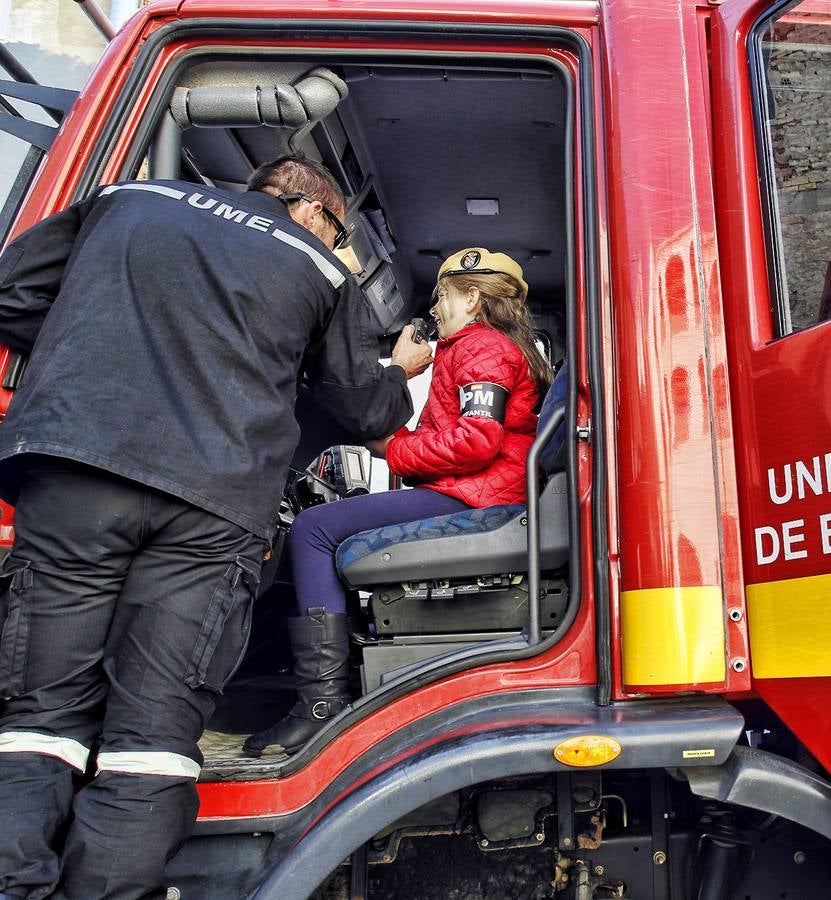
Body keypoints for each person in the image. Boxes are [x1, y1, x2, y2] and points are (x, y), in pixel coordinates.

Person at [0, 156, 433, 899]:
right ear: (315, 214)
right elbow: (370, 413)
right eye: (341, 237)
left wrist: (114, 341)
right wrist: (399, 367)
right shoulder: (317, 269)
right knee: (150, 739)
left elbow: (12, 292)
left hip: (72, 471)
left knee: (36, 717)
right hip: (209, 504)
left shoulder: (122, 200)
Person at [244, 247, 552, 758]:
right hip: (476, 493)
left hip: (474, 500)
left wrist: (396, 448)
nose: (434, 309)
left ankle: (319, 707)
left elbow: (478, 441)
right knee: (323, 525)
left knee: (313, 529)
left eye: (442, 298)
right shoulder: (477, 349)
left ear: (472, 297)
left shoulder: (485, 350)